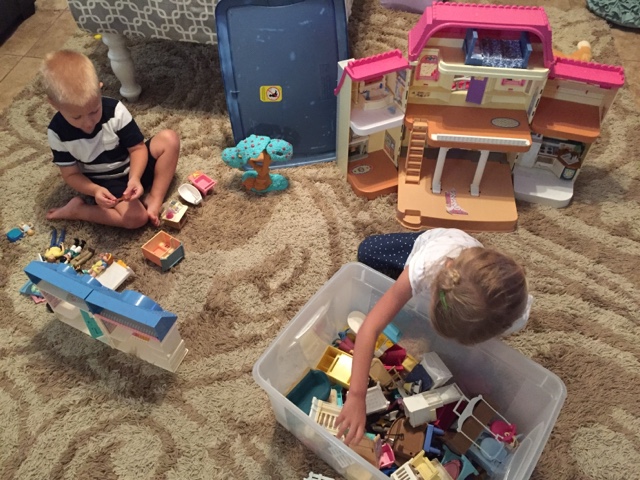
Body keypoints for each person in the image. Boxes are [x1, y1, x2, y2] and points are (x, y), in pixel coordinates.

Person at [335, 228, 532, 446]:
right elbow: (369, 328)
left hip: (459, 276)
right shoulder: (425, 265)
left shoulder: (513, 314)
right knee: (367, 251)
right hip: (428, 244)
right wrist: (357, 395)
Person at [40, 50, 180, 228]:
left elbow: (137, 148)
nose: (88, 123)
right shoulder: (57, 132)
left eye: (94, 111)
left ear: (99, 89)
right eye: (76, 117)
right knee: (136, 219)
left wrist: (135, 177)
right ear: (54, 104)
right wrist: (95, 190)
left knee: (169, 139)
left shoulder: (115, 110)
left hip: (134, 166)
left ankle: (155, 198)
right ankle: (79, 211)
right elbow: (71, 174)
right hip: (105, 183)